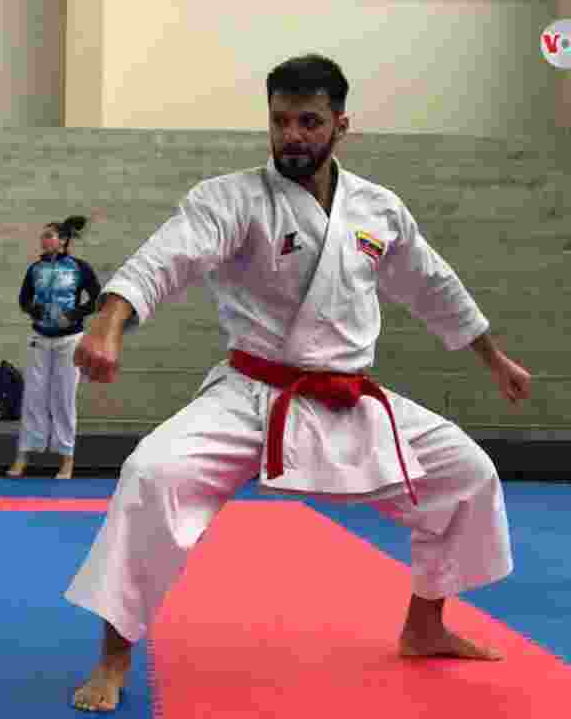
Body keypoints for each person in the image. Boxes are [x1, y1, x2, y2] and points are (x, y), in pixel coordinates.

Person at [65, 54, 533, 712]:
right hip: (251, 394)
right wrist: (110, 321)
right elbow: (167, 256)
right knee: (150, 474)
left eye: (309, 121)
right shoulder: (231, 199)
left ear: (341, 125)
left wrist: (492, 356)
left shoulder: (378, 209)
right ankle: (114, 656)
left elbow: (433, 286)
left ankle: (424, 626)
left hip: (347, 397)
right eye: (280, 120)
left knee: (468, 475)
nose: (292, 135)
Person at [8, 217, 101, 479]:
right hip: (40, 337)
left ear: (62, 241)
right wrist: (33, 310)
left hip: (69, 340)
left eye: (49, 236)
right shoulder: (35, 268)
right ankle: (23, 455)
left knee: (64, 397)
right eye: (43, 236)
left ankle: (66, 458)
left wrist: (74, 315)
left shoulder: (79, 268)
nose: (44, 240)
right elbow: (23, 299)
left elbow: (97, 298)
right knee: (33, 397)